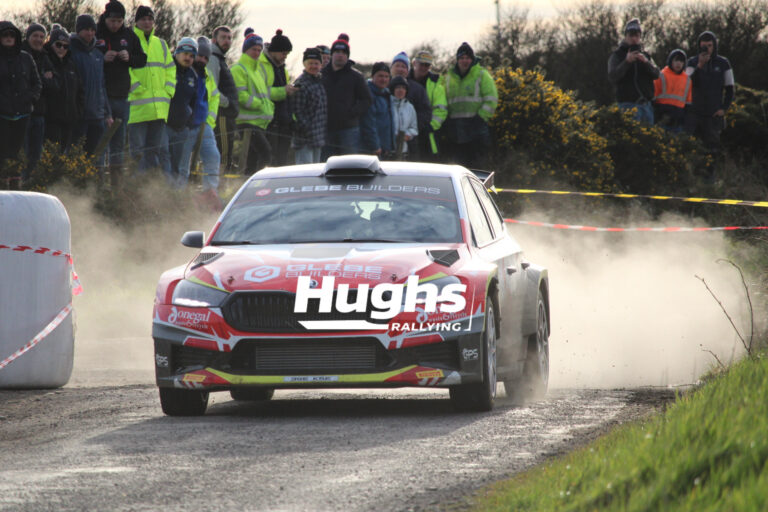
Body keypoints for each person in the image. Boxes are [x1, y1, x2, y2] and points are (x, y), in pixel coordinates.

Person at [96, 0, 147, 189]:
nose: (115, 25)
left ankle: (116, 188)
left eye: (119, 21)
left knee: (118, 143)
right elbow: (87, 55)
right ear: (105, 18)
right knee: (101, 142)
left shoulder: (129, 35)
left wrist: (129, 57)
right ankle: (99, 185)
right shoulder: (97, 33)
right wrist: (102, 58)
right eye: (112, 21)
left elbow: (142, 59)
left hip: (122, 97)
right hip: (102, 97)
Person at [128, 6, 173, 176]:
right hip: (138, 110)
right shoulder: (130, 41)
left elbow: (171, 69)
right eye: (143, 19)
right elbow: (125, 69)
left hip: (159, 110)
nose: (147, 22)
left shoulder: (161, 44)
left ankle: (151, 186)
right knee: (137, 152)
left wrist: (168, 90)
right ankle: (136, 186)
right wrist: (136, 88)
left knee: (154, 152)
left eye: (150, 19)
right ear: (137, 22)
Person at [685, 30, 735, 179]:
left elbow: (730, 88)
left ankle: (709, 180)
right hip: (694, 113)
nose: (707, 48)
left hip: (713, 114)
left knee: (712, 149)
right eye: (703, 46)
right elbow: (687, 84)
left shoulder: (723, 63)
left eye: (709, 45)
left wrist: (724, 109)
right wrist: (700, 65)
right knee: (693, 147)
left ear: (714, 46)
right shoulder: (692, 62)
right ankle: (693, 178)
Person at [441, 42, 497, 169]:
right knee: (458, 166)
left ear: (472, 59)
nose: (464, 61)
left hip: (476, 127)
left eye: (467, 58)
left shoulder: (482, 75)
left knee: (477, 167)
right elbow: (444, 100)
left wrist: (481, 117)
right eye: (461, 58)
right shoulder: (449, 77)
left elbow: (491, 99)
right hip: (455, 129)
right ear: (457, 60)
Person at [69, 14, 112, 172]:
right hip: (79, 115)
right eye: (86, 29)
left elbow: (102, 86)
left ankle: (92, 184)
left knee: (94, 157)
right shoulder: (71, 52)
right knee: (75, 156)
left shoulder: (98, 55)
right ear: (78, 30)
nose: (90, 33)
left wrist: (107, 112)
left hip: (97, 115)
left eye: (92, 30)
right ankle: (73, 183)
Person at [0, 21, 41, 180]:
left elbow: (37, 83)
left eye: (12, 35)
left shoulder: (26, 58)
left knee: (18, 156)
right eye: (5, 35)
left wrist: (31, 98)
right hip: (2, 114)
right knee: (2, 156)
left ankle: (17, 186)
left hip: (22, 113)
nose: (9, 38)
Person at [321, 33, 371, 158]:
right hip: (326, 129)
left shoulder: (356, 76)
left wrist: (352, 112)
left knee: (349, 163)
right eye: (337, 51)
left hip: (349, 130)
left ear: (347, 55)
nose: (340, 55)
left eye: (344, 52)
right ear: (332, 54)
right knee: (326, 164)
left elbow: (367, 100)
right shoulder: (321, 75)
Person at [231, 28, 273, 172]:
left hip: (259, 122)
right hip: (246, 122)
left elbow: (264, 94)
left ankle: (248, 180)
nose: (256, 52)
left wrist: (268, 107)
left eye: (259, 50)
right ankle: (258, 181)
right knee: (265, 153)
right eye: (253, 49)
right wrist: (259, 105)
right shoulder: (238, 69)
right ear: (246, 50)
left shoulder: (257, 71)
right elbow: (240, 95)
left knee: (252, 159)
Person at [607, 18, 660, 125]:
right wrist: (626, 62)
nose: (634, 39)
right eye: (631, 35)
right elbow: (613, 76)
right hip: (627, 106)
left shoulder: (646, 56)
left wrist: (646, 62)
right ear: (625, 36)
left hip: (646, 107)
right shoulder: (617, 55)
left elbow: (657, 74)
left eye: (637, 35)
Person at [22, 23, 57, 179]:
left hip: (40, 112)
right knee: (23, 152)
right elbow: (24, 82)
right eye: (35, 36)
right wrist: (43, 78)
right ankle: (19, 183)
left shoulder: (45, 56)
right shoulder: (21, 55)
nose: (38, 39)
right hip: (22, 112)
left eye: (42, 37)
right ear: (28, 37)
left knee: (36, 154)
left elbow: (55, 85)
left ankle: (31, 183)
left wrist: (42, 81)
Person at [259, 29, 296, 166]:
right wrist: (283, 91)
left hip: (283, 123)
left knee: (281, 162)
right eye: (283, 53)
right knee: (269, 160)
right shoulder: (261, 65)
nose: (285, 57)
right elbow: (262, 92)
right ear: (274, 51)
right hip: (270, 123)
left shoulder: (282, 68)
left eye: (287, 54)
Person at [44, 24, 83, 151]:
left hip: (68, 119)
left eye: (65, 46)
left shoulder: (71, 65)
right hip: (51, 120)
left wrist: (77, 112)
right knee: (50, 154)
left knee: (63, 154)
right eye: (58, 45)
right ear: (51, 44)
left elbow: (80, 91)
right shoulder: (45, 61)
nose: (62, 48)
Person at [193, 36, 221, 206]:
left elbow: (215, 98)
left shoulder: (208, 75)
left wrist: (209, 121)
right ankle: (179, 195)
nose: (202, 60)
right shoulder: (183, 71)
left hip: (204, 125)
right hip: (185, 126)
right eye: (200, 56)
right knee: (182, 163)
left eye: (205, 57)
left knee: (213, 157)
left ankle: (210, 193)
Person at [166, 37, 198, 187]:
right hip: (164, 124)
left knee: (176, 165)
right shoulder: (168, 68)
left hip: (181, 128)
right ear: (177, 52)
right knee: (163, 160)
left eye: (192, 56)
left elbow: (194, 102)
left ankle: (173, 195)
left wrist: (188, 124)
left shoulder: (193, 75)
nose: (188, 58)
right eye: (185, 54)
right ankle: (161, 191)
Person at [289, 47, 327, 164]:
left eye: (316, 63)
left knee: (316, 172)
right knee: (304, 172)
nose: (314, 66)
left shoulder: (320, 82)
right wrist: (308, 131)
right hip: (304, 140)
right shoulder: (301, 83)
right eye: (310, 63)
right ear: (304, 64)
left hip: (318, 139)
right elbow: (297, 112)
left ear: (320, 65)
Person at [208, 25, 239, 173]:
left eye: (229, 38)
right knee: (223, 153)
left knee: (226, 152)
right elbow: (211, 87)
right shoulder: (213, 58)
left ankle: (220, 181)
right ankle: (220, 183)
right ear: (214, 40)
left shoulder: (220, 58)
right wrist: (227, 103)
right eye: (223, 37)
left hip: (227, 115)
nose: (227, 41)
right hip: (221, 114)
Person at [390, 51, 430, 159]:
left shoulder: (418, 89)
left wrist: (410, 133)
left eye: (403, 66)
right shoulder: (384, 86)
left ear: (408, 70)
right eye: (397, 65)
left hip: (411, 142)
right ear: (391, 68)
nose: (400, 69)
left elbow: (425, 113)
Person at [409, 50, 447, 159]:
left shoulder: (436, 83)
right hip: (407, 133)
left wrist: (431, 126)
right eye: (421, 64)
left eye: (427, 65)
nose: (424, 67)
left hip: (427, 133)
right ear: (414, 63)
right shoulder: (404, 80)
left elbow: (441, 109)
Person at [360, 62, 394, 157]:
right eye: (380, 76)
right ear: (372, 76)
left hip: (385, 149)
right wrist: (375, 146)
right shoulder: (368, 94)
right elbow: (368, 123)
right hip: (372, 149)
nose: (384, 79)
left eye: (386, 76)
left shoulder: (387, 94)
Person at [653, 49, 691, 133]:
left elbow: (688, 103)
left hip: (678, 121)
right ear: (671, 61)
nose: (678, 63)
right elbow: (653, 97)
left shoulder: (687, 79)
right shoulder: (661, 75)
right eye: (676, 60)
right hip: (662, 118)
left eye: (681, 61)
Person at [390, 76, 418, 159]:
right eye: (398, 87)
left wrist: (407, 135)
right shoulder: (387, 104)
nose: (401, 90)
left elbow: (414, 128)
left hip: (403, 150)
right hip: (388, 150)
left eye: (403, 88)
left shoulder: (410, 107)